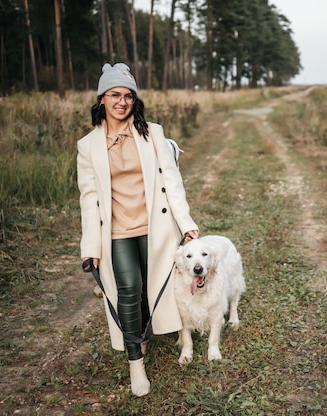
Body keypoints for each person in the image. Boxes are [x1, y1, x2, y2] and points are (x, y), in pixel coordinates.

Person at [77, 63, 199, 396]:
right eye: (115, 95)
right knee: (128, 289)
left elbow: (173, 183)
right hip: (115, 231)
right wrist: (90, 247)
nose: (122, 102)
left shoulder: (152, 133)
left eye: (128, 96)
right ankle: (135, 363)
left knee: (155, 284)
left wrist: (186, 224)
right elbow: (89, 201)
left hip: (154, 224)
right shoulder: (87, 146)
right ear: (102, 98)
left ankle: (149, 333)